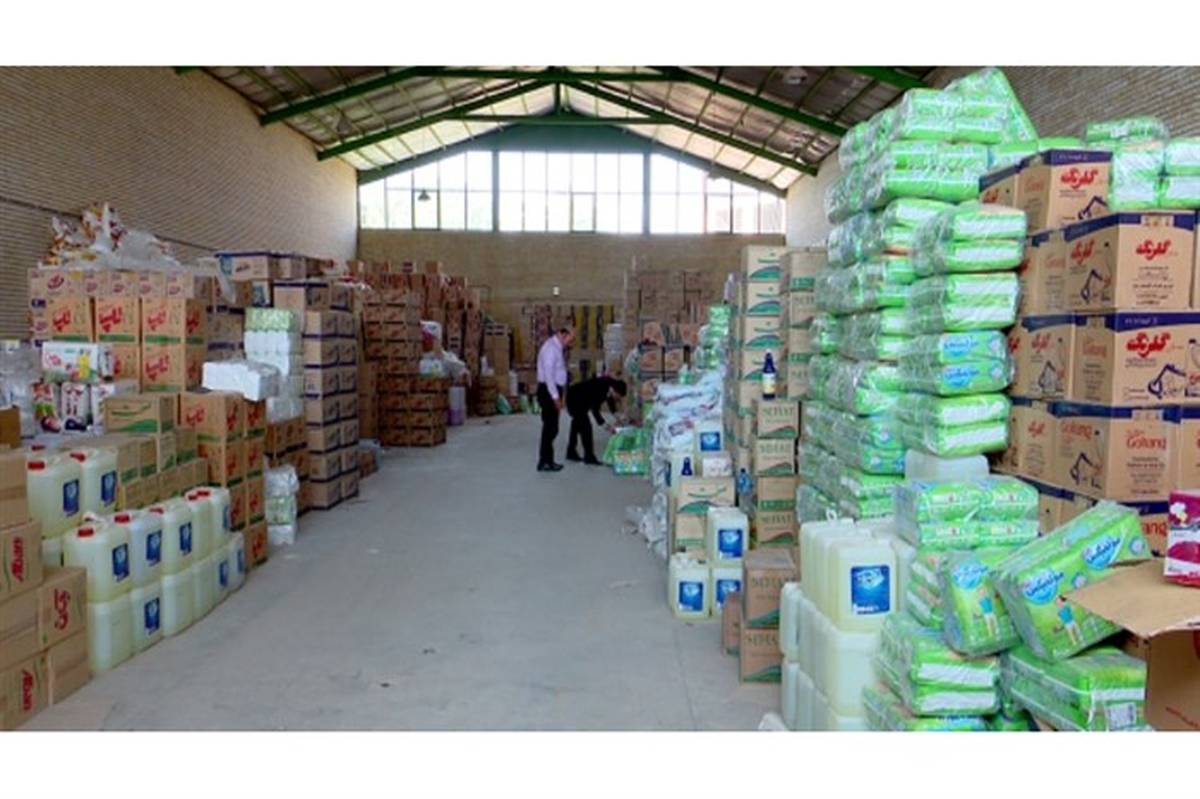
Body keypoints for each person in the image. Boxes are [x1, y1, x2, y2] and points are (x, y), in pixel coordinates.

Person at [535, 327, 574, 472]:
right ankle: (545, 462)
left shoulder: (557, 347)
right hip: (548, 391)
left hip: (553, 390)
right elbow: (549, 377)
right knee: (550, 428)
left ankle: (547, 460)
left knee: (552, 428)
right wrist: (555, 397)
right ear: (562, 334)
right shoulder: (550, 349)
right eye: (570, 339)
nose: (571, 342)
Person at [565, 376, 627, 465]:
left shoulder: (610, 386)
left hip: (580, 398)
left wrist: (619, 417)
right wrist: (607, 427)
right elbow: (595, 410)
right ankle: (589, 457)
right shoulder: (601, 388)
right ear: (615, 390)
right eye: (618, 396)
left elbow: (611, 404)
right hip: (575, 398)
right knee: (586, 427)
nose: (618, 399)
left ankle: (571, 452)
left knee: (576, 424)